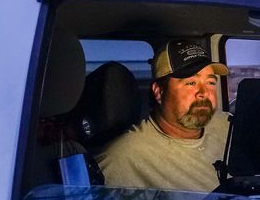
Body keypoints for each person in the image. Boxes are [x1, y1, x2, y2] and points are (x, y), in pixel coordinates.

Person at [96, 39, 231, 191]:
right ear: (159, 92)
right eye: (191, 83)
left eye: (210, 83)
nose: (204, 93)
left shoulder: (229, 127)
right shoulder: (123, 158)